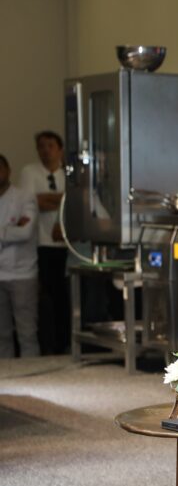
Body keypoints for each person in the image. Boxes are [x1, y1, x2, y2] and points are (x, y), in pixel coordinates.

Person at [19, 131, 69, 354]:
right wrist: (61, 198)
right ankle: (49, 346)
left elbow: (74, 201)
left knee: (65, 297)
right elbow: (31, 202)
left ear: (60, 149)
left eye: (50, 146)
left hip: (66, 244)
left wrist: (50, 199)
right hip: (41, 244)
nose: (45, 150)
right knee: (46, 297)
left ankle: (65, 342)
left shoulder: (68, 173)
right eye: (41, 146)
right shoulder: (29, 172)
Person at [0, 154, 40, 358]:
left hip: (22, 274)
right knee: (2, 335)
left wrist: (4, 233)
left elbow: (25, 232)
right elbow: (16, 231)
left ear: (8, 170)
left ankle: (32, 372)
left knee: (27, 333)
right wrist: (9, 230)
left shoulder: (24, 197)